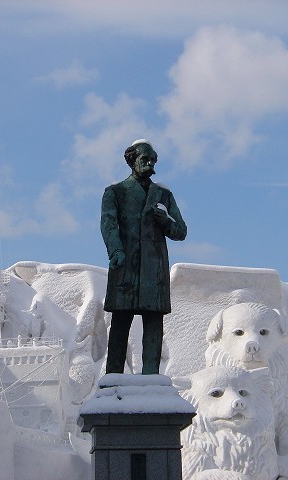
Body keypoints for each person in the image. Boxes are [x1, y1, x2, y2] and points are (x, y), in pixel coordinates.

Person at [100, 139, 187, 374]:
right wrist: (116, 250)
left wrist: (165, 220)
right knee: (120, 323)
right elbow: (109, 225)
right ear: (132, 160)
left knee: (154, 323)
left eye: (153, 161)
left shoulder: (163, 194)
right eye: (145, 159)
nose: (150, 164)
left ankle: (152, 377)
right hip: (125, 266)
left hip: (154, 268)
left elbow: (181, 231)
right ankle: (113, 377)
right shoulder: (115, 192)